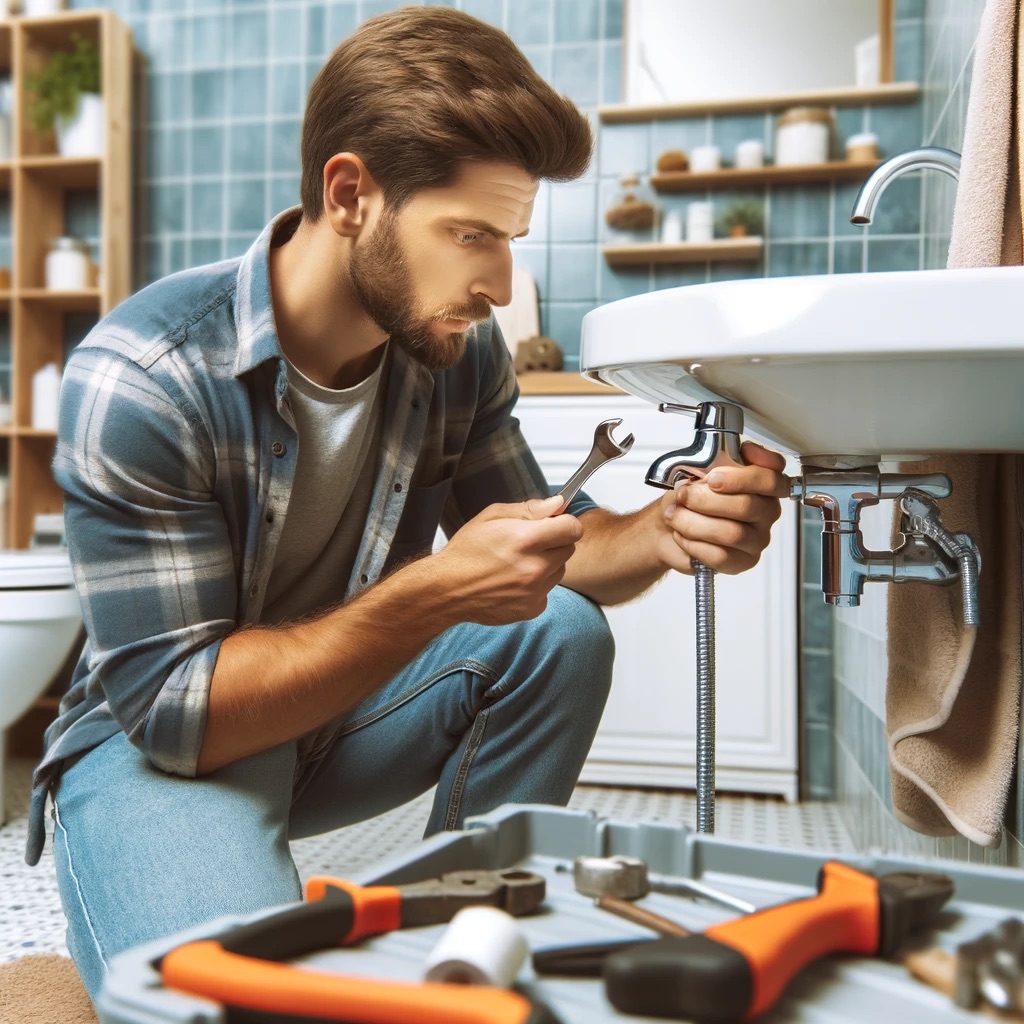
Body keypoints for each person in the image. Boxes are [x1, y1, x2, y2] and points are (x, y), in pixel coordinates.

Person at [25, 5, 788, 1002]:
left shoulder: (454, 354)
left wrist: (663, 530)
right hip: (166, 747)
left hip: (332, 709)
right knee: (246, 1004)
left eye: (508, 237)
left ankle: (463, 931)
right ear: (351, 195)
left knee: (560, 628)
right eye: (469, 234)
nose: (499, 282)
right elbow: (181, 715)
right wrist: (432, 591)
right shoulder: (148, 375)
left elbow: (545, 543)